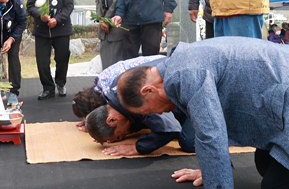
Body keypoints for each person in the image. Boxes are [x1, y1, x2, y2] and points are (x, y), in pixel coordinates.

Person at [117, 37, 289, 188]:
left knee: (275, 185)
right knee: (264, 164)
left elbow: (211, 136)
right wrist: (211, 171)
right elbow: (208, 128)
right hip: (278, 98)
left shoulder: (186, 75)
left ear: (148, 91)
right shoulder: (178, 64)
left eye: (149, 111)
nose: (159, 113)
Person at [72, 55, 195, 155]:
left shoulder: (133, 98)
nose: (127, 134)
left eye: (121, 135)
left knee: (188, 142)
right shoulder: (115, 91)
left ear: (112, 120)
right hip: (180, 89)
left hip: (194, 89)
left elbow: (170, 128)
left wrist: (137, 147)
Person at [26, 0, 74, 100]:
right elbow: (30, 6)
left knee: (62, 58)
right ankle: (48, 88)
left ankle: (60, 83)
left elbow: (69, 5)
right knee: (42, 61)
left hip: (61, 28)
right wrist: (40, 15)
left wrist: (57, 19)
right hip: (42, 30)